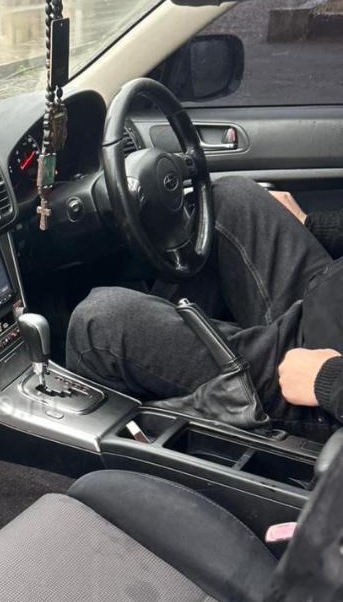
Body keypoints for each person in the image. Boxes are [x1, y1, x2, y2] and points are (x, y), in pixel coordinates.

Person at [66, 176, 343, 437]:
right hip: (327, 298)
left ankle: (140, 447)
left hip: (317, 368)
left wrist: (328, 380)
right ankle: (159, 374)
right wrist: (314, 226)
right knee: (230, 199)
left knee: (98, 327)